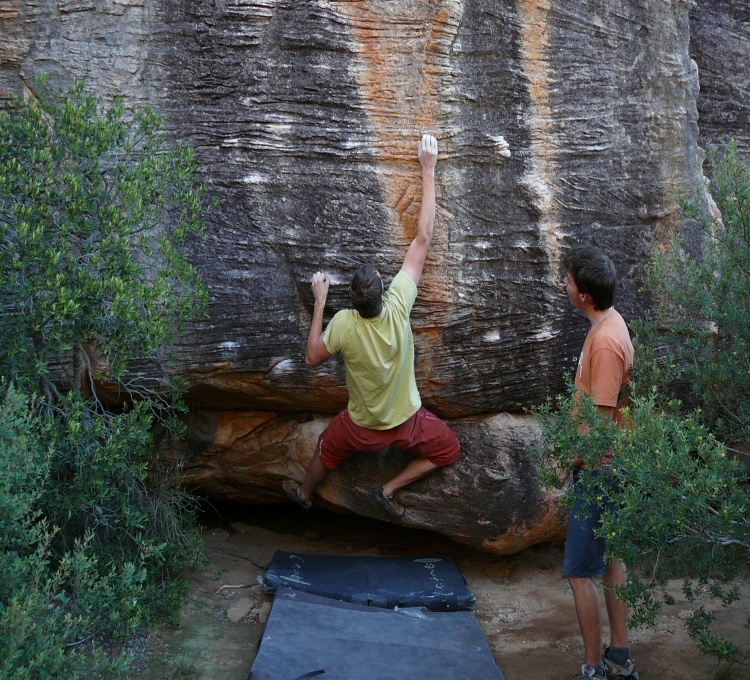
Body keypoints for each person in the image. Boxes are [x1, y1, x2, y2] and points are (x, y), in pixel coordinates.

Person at [282, 134, 460, 520]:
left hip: (360, 427)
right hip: (406, 422)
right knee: (448, 448)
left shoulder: (344, 323)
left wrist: (319, 303)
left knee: (327, 448)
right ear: (383, 290)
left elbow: (312, 357)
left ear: (354, 301)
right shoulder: (398, 305)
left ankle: (304, 491)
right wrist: (428, 167)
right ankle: (390, 488)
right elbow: (423, 238)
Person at [560, 246, 639, 680]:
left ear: (584, 295)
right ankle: (620, 658)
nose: (565, 284)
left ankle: (594, 668)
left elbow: (602, 424)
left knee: (577, 572)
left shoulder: (606, 341)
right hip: (610, 465)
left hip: (601, 469)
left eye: (569, 280)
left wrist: (567, 459)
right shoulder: (607, 324)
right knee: (611, 559)